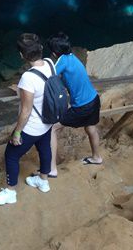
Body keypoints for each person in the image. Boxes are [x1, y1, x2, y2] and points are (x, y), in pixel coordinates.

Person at [0, 33, 53, 205]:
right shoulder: (49, 63)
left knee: (11, 155)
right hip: (47, 121)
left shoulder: (28, 77)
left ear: (21, 55)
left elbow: (25, 111)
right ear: (40, 49)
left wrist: (17, 132)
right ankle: (43, 181)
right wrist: (21, 89)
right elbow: (43, 89)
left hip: (32, 126)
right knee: (44, 148)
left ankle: (10, 192)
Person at [46, 32, 102, 176]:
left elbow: (48, 76)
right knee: (90, 128)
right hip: (94, 99)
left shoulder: (61, 61)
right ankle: (96, 157)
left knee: (52, 128)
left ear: (53, 53)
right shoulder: (72, 57)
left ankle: (52, 168)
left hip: (82, 107)